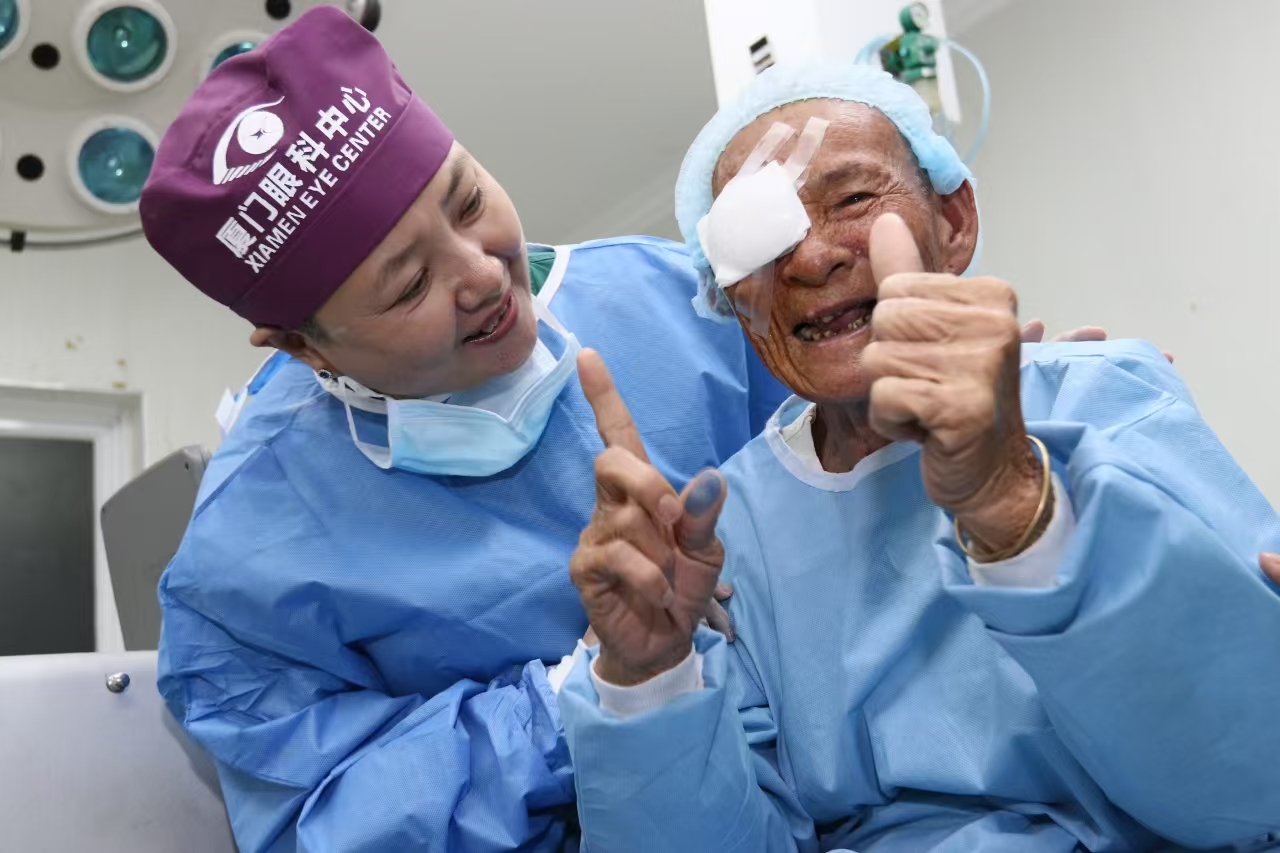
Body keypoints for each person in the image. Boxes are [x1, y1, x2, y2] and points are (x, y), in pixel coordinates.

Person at [558, 62, 1280, 852]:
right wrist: (650, 684)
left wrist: (1015, 501)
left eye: (852, 200)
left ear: (954, 222)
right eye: (757, 235)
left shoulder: (1105, 396)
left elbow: (1252, 777)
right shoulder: (723, 545)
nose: (810, 259)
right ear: (733, 301)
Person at [140, 8, 789, 851]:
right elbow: (322, 820)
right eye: (410, 285)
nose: (484, 274)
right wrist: (585, 689)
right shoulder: (246, 558)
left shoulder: (668, 300)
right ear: (302, 346)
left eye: (469, 200)